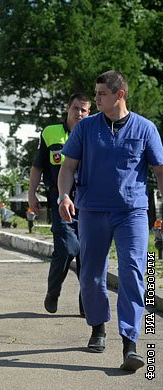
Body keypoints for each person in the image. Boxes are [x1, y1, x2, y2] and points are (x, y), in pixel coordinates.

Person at [58, 70, 163, 372]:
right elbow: (68, 167)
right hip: (91, 211)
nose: (96, 98)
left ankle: (130, 342)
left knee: (134, 271)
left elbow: (159, 172)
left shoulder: (145, 129)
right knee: (91, 274)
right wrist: (64, 196)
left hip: (132, 212)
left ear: (120, 95)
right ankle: (98, 326)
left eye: (102, 93)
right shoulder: (86, 128)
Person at [28, 93, 91, 315]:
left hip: (88, 202)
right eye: (76, 108)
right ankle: (53, 292)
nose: (80, 114)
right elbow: (37, 166)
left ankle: (87, 305)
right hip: (60, 200)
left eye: (84, 110)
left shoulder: (93, 132)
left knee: (87, 255)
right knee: (66, 249)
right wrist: (31, 194)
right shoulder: (51, 132)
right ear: (68, 108)